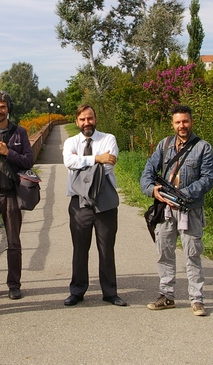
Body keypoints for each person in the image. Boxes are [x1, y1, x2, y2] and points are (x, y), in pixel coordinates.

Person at [140, 104, 213, 317]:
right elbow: (147, 170)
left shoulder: (203, 148)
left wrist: (183, 195)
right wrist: (152, 190)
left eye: (185, 121)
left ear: (191, 122)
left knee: (192, 254)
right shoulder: (164, 145)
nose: (182, 125)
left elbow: (208, 179)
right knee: (164, 253)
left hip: (190, 210)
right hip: (165, 209)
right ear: (172, 124)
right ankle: (166, 296)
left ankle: (197, 299)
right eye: (178, 122)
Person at [61, 104, 127, 307]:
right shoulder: (71, 141)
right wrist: (97, 158)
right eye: (82, 119)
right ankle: (77, 291)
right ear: (76, 122)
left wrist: (83, 164)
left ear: (95, 119)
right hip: (79, 201)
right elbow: (68, 162)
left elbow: (108, 166)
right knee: (80, 248)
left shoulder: (108, 139)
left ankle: (110, 292)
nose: (86, 122)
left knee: (106, 247)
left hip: (104, 200)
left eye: (89, 118)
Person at [0, 91, 35, 300]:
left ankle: (14, 284)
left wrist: (8, 152)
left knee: (13, 242)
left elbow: (29, 160)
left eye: (2, 107)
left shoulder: (19, 133)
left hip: (11, 194)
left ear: (9, 108)